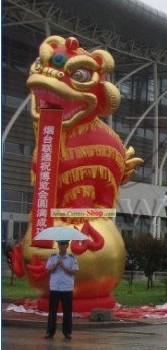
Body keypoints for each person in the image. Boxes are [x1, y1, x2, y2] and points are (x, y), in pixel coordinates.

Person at [44, 240, 79, 340]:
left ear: (67, 245)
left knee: (67, 311)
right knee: (52, 311)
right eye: (60, 244)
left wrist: (63, 266)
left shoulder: (72, 258)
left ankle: (67, 332)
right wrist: (56, 264)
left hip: (67, 288)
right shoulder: (53, 257)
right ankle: (50, 332)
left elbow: (74, 271)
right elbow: (48, 270)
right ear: (58, 245)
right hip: (55, 288)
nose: (61, 246)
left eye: (64, 244)